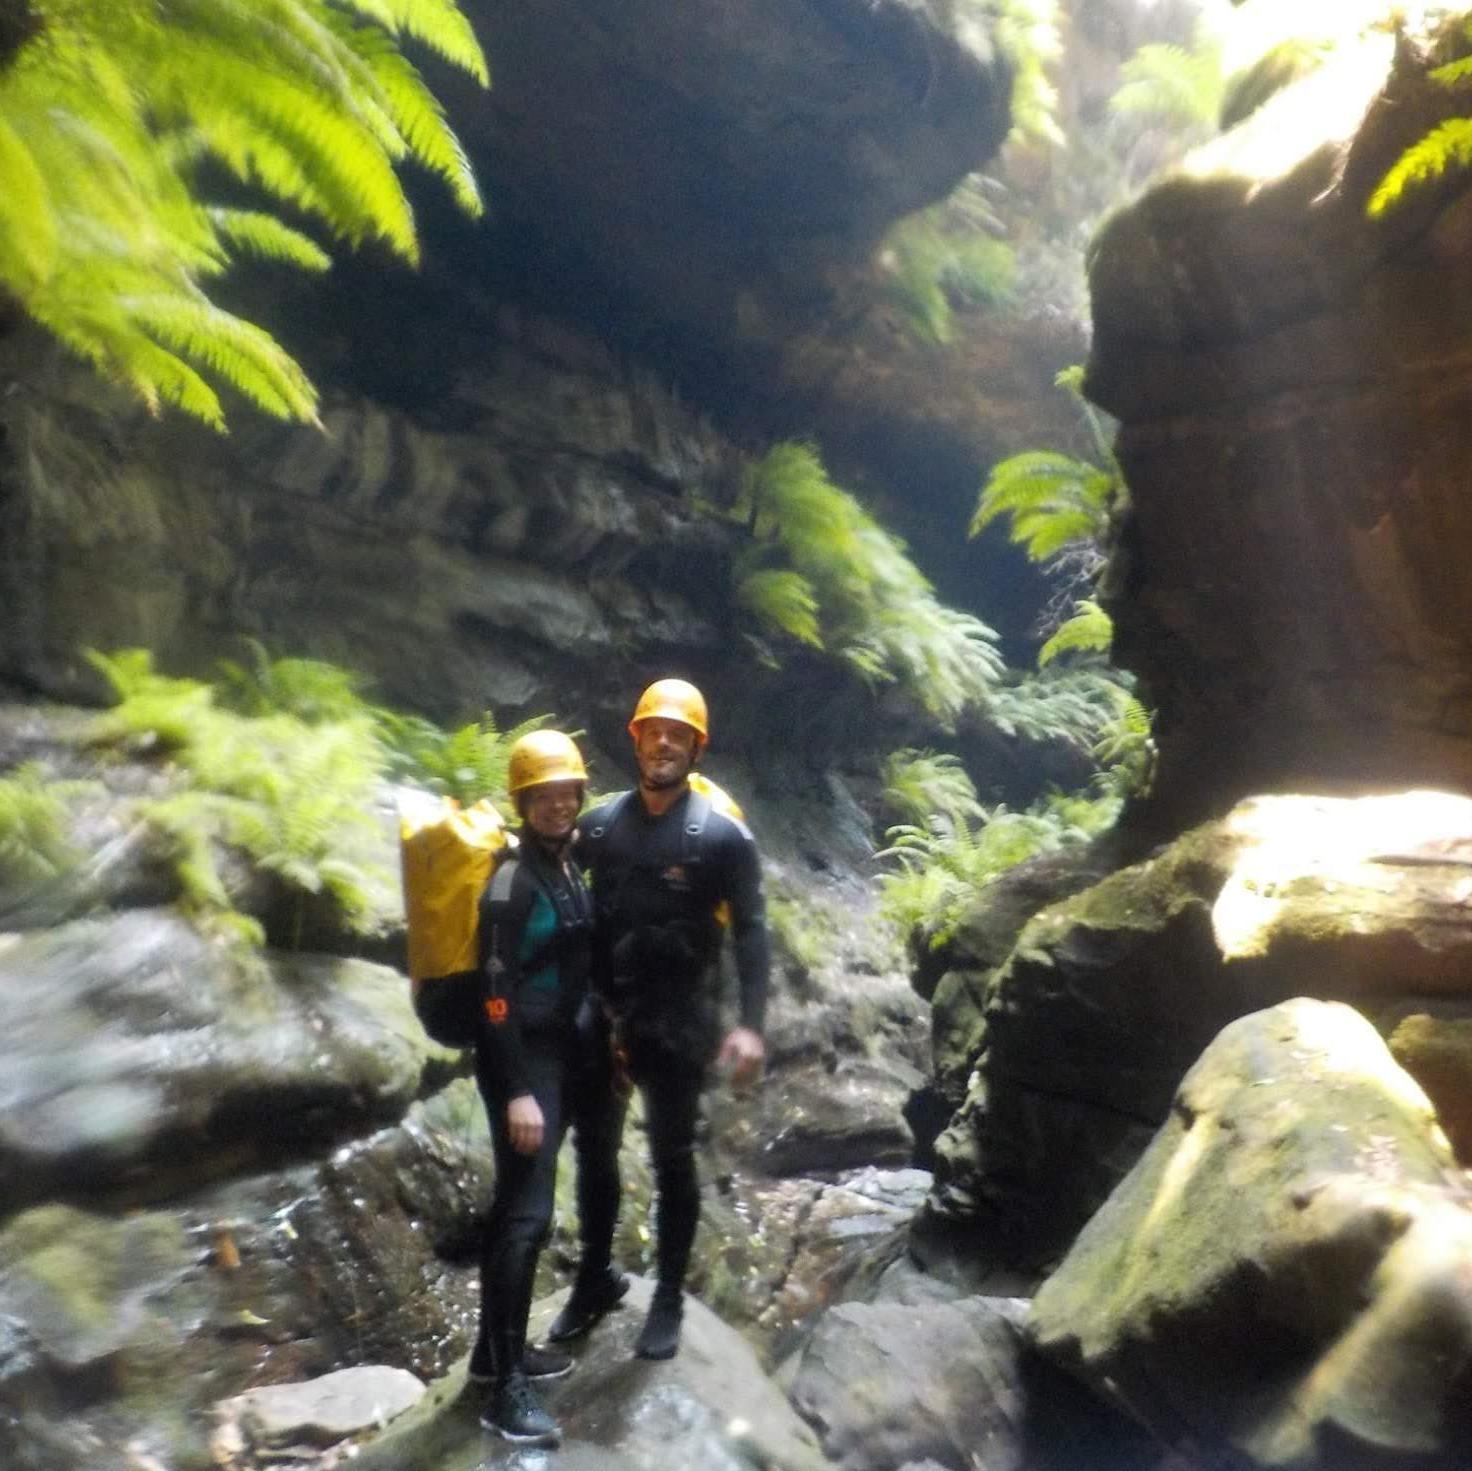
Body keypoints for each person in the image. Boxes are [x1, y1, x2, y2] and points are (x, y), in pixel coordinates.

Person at [548, 677, 769, 1361]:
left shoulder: (723, 838)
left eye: (679, 733)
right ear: (636, 738)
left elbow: (752, 932)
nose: (664, 742)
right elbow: (550, 890)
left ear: (697, 747)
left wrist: (750, 1023)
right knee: (595, 1150)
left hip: (680, 1020)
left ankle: (669, 1293)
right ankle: (595, 1276)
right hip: (605, 1015)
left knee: (672, 1157)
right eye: (654, 730)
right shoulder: (600, 825)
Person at [470, 729, 606, 1447]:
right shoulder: (510, 883)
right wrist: (519, 1089)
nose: (557, 803)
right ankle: (505, 1393)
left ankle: (495, 1354)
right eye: (543, 794)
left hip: (558, 1052)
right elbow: (494, 993)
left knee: (518, 1211)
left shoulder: (565, 862)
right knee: (526, 1215)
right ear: (522, 800)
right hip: (520, 1060)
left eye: (567, 792)